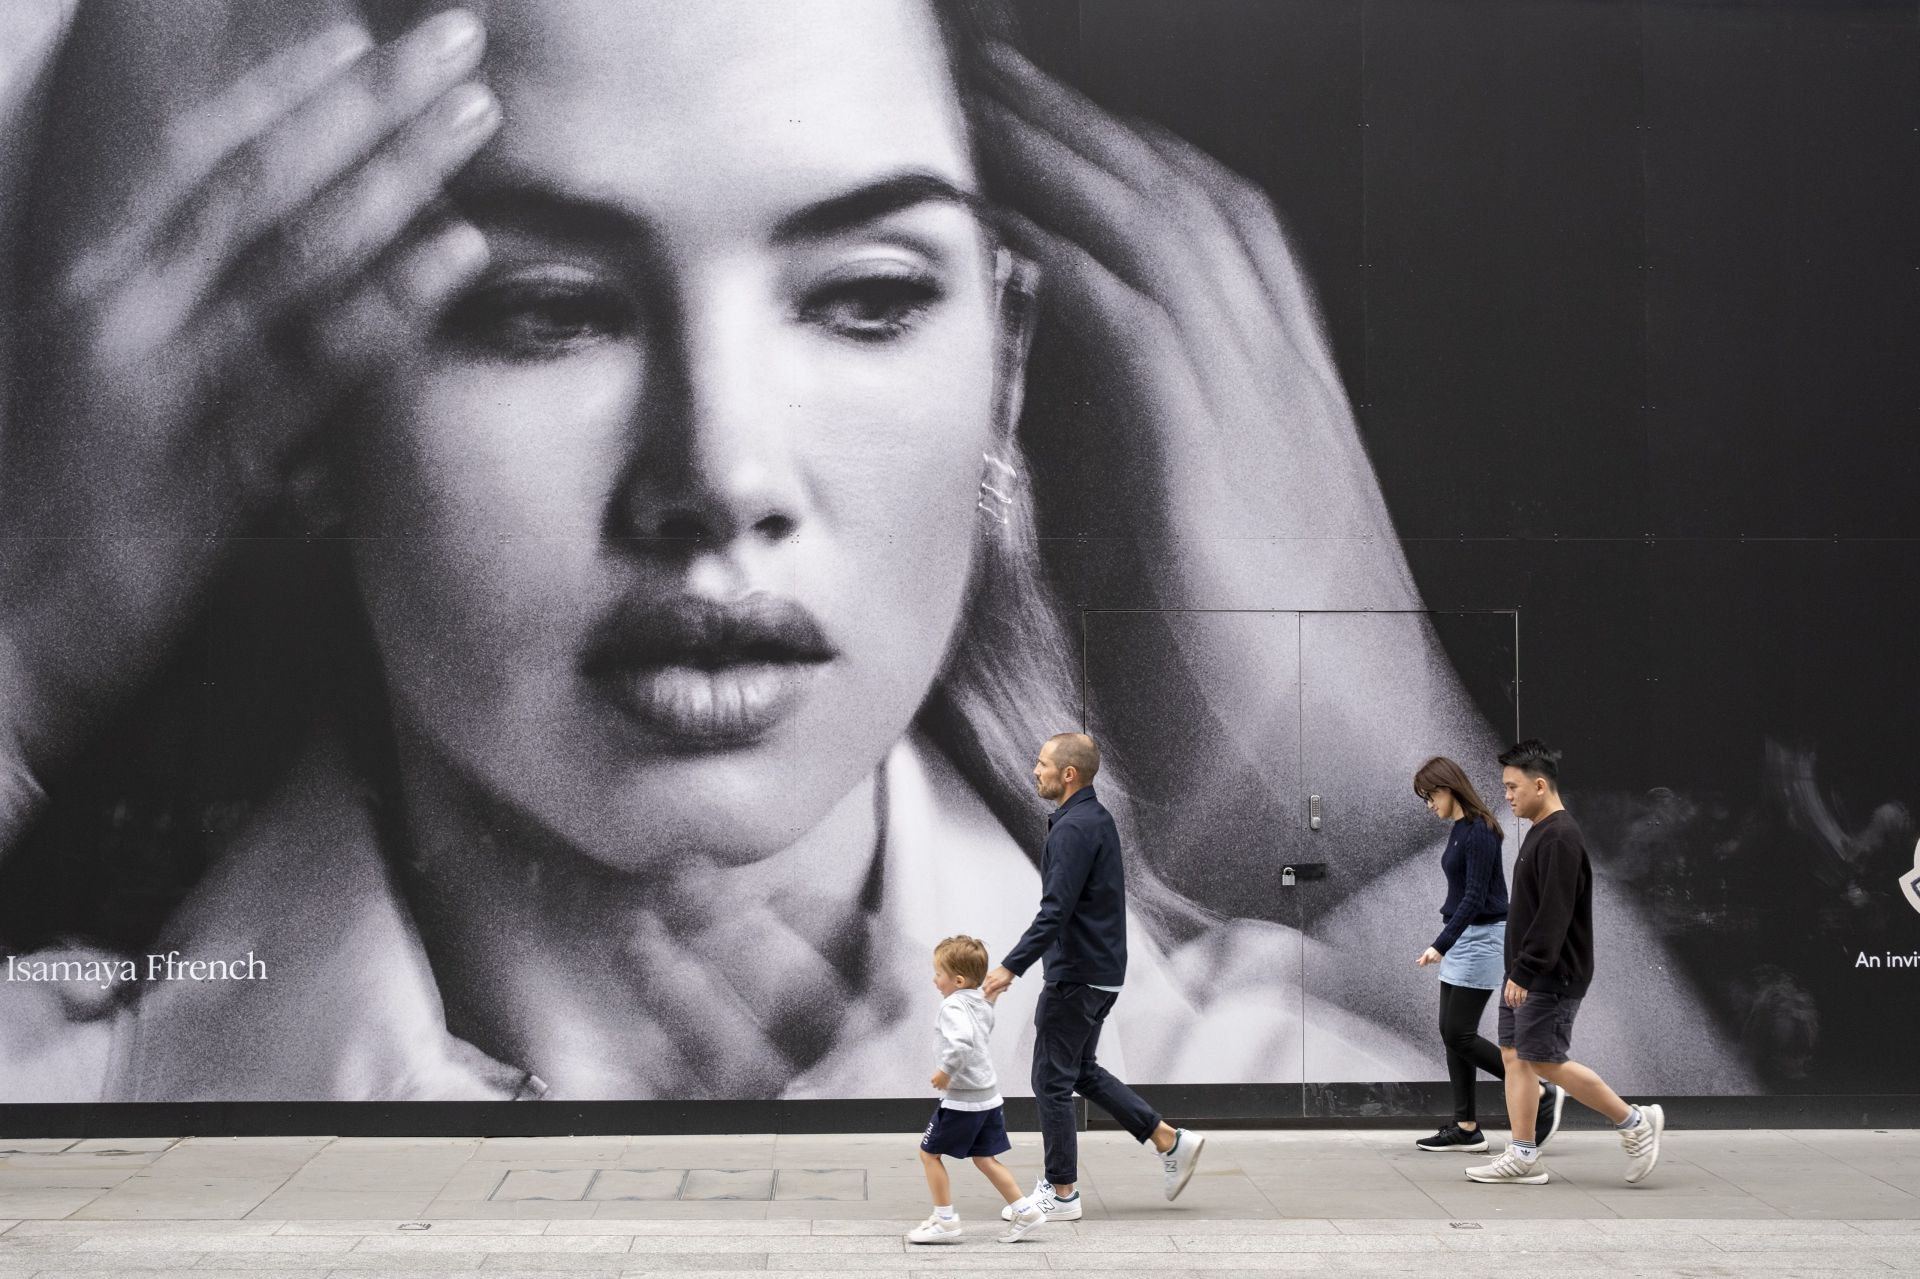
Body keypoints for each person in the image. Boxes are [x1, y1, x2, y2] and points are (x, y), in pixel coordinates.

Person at [0, 0, 1748, 1103]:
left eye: (866, 296)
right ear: (291, 402)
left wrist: (1374, 792)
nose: (724, 473)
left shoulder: (1313, 1083)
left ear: (1001, 363)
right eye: (545, 308)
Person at [982, 733, 1203, 1219]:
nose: (1034, 771)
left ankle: (1062, 1194)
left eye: (1041, 764)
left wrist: (1008, 967)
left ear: (1069, 775)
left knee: (1050, 1080)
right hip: (1100, 970)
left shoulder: (1074, 828)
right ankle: (1169, 1140)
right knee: (1080, 1071)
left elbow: (1054, 911)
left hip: (1077, 975)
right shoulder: (1093, 818)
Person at [1466, 740, 1666, 1186]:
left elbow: (1553, 913)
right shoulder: (1543, 831)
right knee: (1516, 1057)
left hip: (1547, 975)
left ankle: (1634, 1122)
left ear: (1540, 785)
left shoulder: (1560, 836)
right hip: (1527, 972)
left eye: (1513, 787)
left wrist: (1525, 969)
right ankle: (1521, 1154)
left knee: (1545, 1061)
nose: (1507, 795)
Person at [1411, 756, 1565, 1154]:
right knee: (1452, 1035)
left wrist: (1440, 943)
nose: (1429, 805)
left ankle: (1539, 1090)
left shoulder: (1480, 831)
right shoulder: (1461, 829)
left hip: (1481, 939)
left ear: (1449, 787)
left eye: (1431, 795)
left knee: (1457, 1031)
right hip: (1463, 937)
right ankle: (1466, 1128)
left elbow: (1476, 896)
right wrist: (1448, 940)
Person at [907, 934, 1044, 1245]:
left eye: (938, 974)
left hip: (962, 1101)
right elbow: (982, 1019)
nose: (934, 979)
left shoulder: (952, 1006)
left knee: (929, 1154)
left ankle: (944, 1221)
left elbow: (962, 1041)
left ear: (956, 980)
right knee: (985, 1158)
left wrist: (945, 1072)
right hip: (988, 1098)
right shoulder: (980, 1001)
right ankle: (1026, 1212)